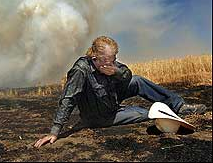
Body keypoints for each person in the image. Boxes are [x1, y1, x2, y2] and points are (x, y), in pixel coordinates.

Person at [34, 36, 207, 148]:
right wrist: (55, 131)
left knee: (137, 80)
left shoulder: (109, 62)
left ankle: (179, 106)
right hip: (101, 115)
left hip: (111, 98)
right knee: (146, 113)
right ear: (94, 58)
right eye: (108, 61)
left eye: (114, 59)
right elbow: (68, 99)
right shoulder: (81, 70)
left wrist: (116, 72)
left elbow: (127, 73)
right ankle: (167, 116)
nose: (112, 63)